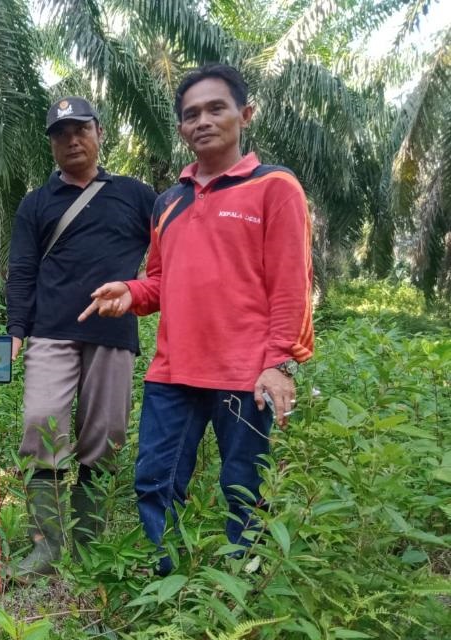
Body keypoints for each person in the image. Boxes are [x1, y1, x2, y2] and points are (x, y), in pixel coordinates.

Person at [81, 64, 314, 574]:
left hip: (244, 374)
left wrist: (278, 363)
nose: (203, 121)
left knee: (245, 489)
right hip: (173, 373)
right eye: (191, 115)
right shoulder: (169, 201)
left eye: (216, 108)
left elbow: (291, 285)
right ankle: (172, 589)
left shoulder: (274, 188)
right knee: (155, 483)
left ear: (244, 114)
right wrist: (131, 290)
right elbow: (162, 281)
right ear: (182, 128)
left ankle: (244, 596)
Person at [5, 97, 157, 579]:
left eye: (80, 129)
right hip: (50, 332)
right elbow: (22, 271)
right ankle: (46, 547)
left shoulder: (136, 195)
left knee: (105, 436)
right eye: (60, 133)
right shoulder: (36, 203)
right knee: (40, 423)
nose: (71, 139)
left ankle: (89, 544)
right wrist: (14, 332)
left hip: (113, 334)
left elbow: (171, 255)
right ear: (51, 143)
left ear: (99, 132)